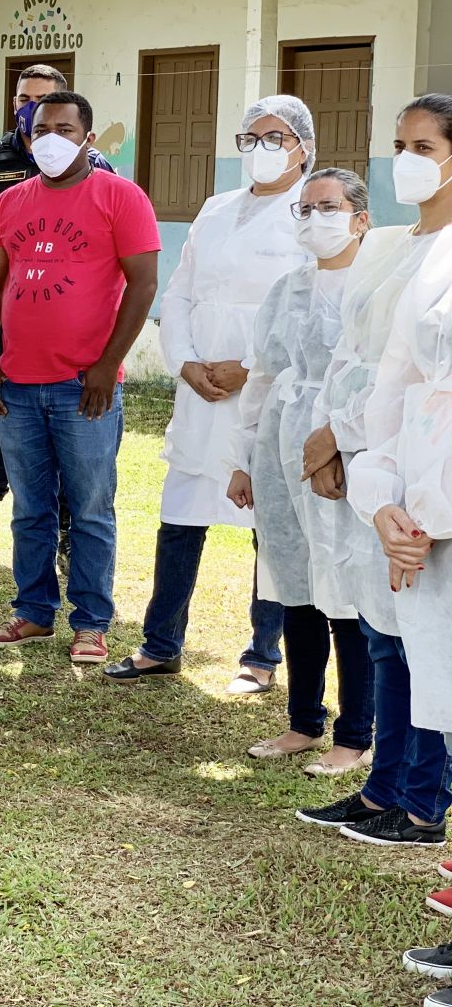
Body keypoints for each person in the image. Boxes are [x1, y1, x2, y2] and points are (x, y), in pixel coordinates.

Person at [104, 95, 314, 690]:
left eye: (275, 137)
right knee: (181, 516)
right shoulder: (216, 209)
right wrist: (186, 363)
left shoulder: (311, 212)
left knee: (267, 523)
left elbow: (305, 306)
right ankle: (160, 643)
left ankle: (261, 657)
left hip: (265, 390)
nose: (262, 149)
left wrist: (251, 368)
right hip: (200, 391)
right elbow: (180, 292)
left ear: (303, 145)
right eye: (252, 138)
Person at [295, 97, 452, 851]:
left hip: (415, 465)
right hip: (372, 470)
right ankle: (386, 785)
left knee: (425, 645)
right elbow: (355, 357)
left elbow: (420, 376)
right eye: (399, 144)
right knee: (386, 636)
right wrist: (332, 439)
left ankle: (423, 800)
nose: (407, 159)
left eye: (423, 145)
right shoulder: (393, 243)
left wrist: (342, 434)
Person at [0, 91, 161, 665]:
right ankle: (32, 613)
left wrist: (106, 365)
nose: (50, 137)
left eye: (63, 126)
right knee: (30, 506)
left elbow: (144, 284)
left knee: (90, 507)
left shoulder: (120, 197)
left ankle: (92, 621)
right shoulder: (9, 203)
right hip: (18, 385)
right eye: (39, 127)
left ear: (87, 135)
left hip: (86, 387)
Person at [222, 169, 373, 773]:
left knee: (345, 586)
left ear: (360, 218)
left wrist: (339, 440)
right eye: (305, 209)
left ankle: (355, 732)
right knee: (293, 581)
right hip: (280, 440)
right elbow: (262, 375)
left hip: (344, 444)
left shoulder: (374, 287)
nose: (315, 219)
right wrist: (243, 460)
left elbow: (377, 376)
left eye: (328, 207)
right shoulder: (289, 288)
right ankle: (303, 722)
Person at [0, 65, 112, 565]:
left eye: (43, 100)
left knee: (67, 429)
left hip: (64, 320)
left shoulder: (94, 164)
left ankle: (63, 532)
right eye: (23, 99)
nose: (31, 108)